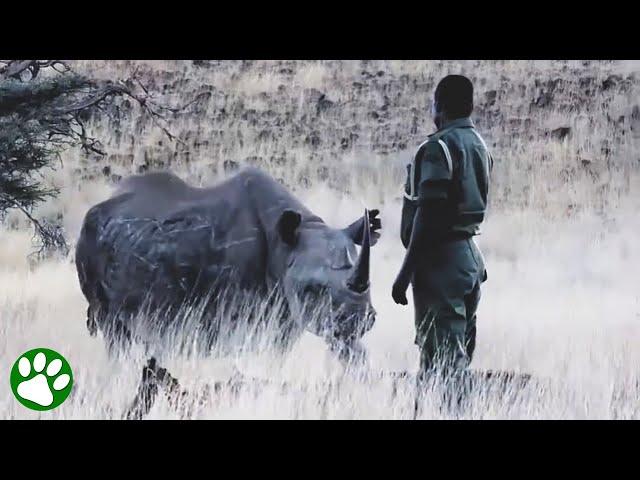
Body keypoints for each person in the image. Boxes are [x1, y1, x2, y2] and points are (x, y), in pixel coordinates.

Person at [392, 75, 493, 383]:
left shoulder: (439, 147)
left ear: (439, 105)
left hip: (441, 264)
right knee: (453, 351)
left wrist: (404, 274)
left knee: (446, 366)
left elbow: (428, 215)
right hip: (468, 260)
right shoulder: (478, 145)